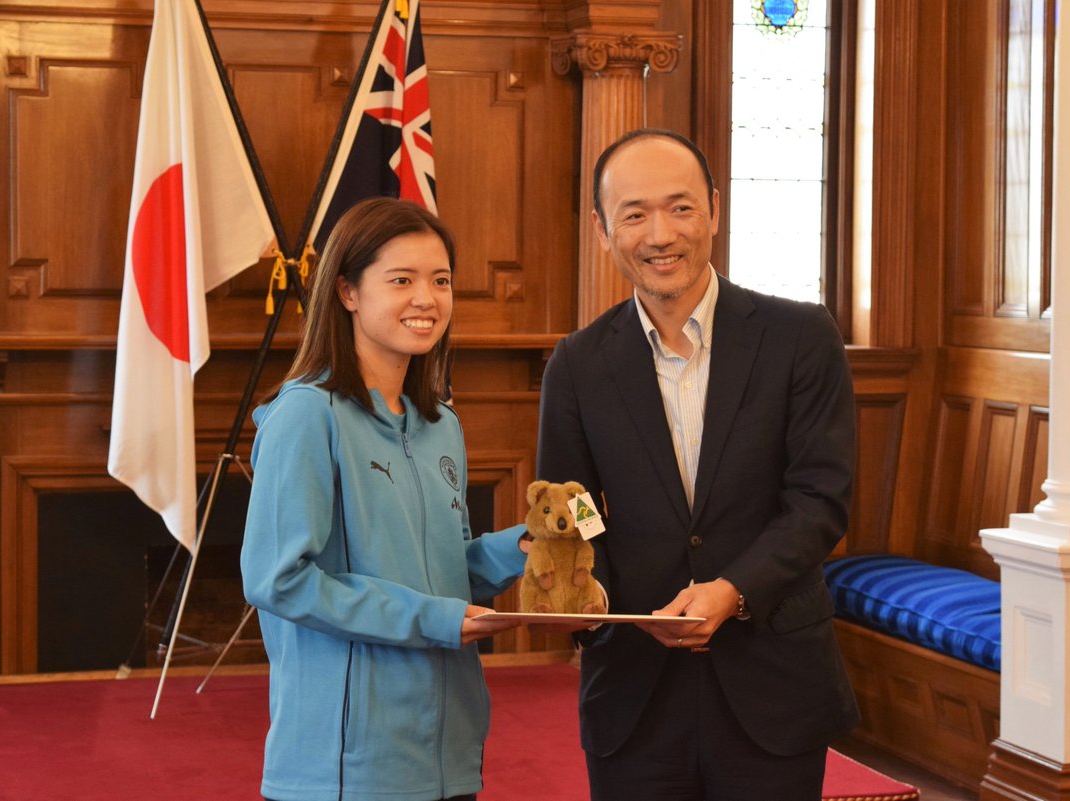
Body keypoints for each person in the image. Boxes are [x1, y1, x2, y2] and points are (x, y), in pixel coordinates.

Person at [536, 129, 860, 801]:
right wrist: (586, 594)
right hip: (633, 685)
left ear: (714, 208)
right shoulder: (578, 364)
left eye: (680, 207)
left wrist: (732, 588)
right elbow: (574, 510)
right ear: (603, 230)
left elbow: (819, 499)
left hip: (771, 681)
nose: (661, 233)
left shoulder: (801, 337)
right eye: (634, 214)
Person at [241, 197, 528, 801]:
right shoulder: (304, 415)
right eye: (402, 280)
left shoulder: (440, 423)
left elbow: (438, 572)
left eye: (441, 280)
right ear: (347, 291)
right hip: (346, 769)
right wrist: (436, 619)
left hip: (449, 756)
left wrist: (526, 547)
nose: (427, 299)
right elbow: (280, 580)